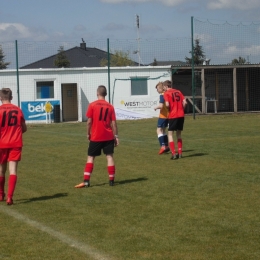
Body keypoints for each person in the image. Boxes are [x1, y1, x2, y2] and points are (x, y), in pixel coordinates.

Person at [75, 85, 119, 188]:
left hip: (96, 136)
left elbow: (89, 122)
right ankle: (111, 181)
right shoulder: (110, 106)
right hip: (108, 136)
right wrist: (116, 136)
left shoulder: (92, 105)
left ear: (97, 93)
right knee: (109, 157)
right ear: (105, 94)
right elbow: (114, 123)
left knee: (91, 157)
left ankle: (86, 181)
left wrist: (88, 133)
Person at [0, 88, 27, 205]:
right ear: (11, 98)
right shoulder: (18, 110)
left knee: (1, 170)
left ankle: (1, 194)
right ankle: (10, 197)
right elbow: (24, 128)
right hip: (15, 143)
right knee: (13, 170)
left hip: (1, 143)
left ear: (1, 99)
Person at [163, 80, 187, 160]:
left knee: (170, 134)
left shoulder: (166, 93)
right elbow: (185, 102)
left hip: (173, 115)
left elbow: (167, 104)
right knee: (179, 134)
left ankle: (173, 154)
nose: (164, 89)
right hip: (181, 115)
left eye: (164, 88)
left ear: (166, 86)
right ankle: (180, 153)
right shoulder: (178, 91)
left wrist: (169, 109)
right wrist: (182, 109)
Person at [154, 82, 169, 154]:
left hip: (163, 115)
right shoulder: (167, 94)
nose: (157, 91)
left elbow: (161, 106)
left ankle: (163, 146)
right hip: (168, 115)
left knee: (158, 130)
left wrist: (156, 107)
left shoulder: (162, 95)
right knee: (163, 130)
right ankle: (166, 146)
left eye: (157, 89)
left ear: (160, 88)